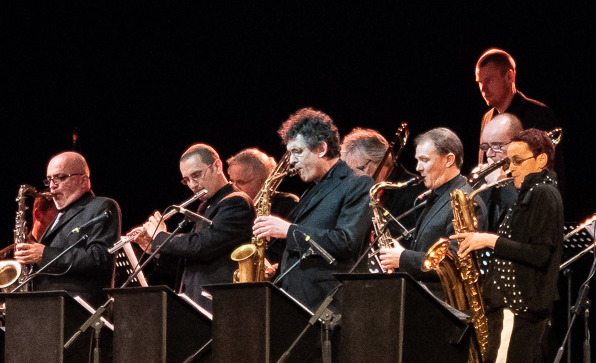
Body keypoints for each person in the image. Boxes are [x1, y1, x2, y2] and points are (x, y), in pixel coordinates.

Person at [451, 129, 563, 363]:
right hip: (514, 307)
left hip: (519, 308)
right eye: (509, 161)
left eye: (517, 161)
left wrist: (488, 240)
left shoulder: (544, 193)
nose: (510, 169)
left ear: (541, 160)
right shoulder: (528, 194)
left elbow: (540, 253)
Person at [250, 108, 374, 310]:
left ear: (321, 148)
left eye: (297, 152)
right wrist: (278, 269)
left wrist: (288, 230)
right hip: (298, 302)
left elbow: (345, 241)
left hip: (329, 305)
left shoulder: (358, 183)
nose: (291, 161)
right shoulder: (312, 190)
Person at [130, 144, 253, 305]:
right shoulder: (206, 206)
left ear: (217, 166)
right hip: (195, 302)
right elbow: (189, 263)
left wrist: (161, 236)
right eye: (186, 180)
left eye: (196, 175)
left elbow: (201, 246)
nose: (193, 185)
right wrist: (155, 247)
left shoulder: (236, 202)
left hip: (221, 305)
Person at [12, 151, 122, 306]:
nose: (52, 185)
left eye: (60, 177)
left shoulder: (102, 206)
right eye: (49, 179)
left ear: (83, 181)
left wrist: (44, 254)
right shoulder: (59, 216)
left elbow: (100, 259)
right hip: (47, 308)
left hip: (77, 310)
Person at [375, 128, 471, 288]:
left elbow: (456, 262)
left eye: (425, 160)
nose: (418, 167)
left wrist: (403, 257)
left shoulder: (463, 200)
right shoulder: (438, 196)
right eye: (417, 160)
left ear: (449, 160)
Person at [474, 48, 560, 138]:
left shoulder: (540, 116)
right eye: (480, 82)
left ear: (509, 76)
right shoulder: (487, 118)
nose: (483, 88)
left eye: (489, 80)